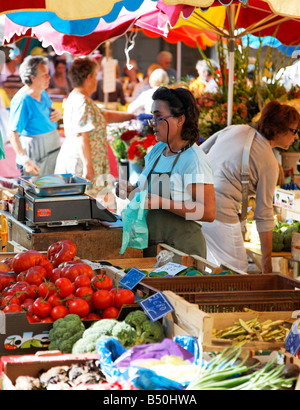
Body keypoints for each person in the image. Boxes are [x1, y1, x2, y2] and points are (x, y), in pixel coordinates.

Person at [201, 101, 300, 274]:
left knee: (209, 265)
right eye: (294, 131)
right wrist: (266, 263)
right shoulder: (269, 162)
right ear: (278, 129)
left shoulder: (234, 129)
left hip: (194, 204)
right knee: (237, 271)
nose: (296, 137)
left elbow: (199, 153)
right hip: (220, 213)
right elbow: (264, 215)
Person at [116, 86, 216, 257]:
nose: (153, 123)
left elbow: (208, 212)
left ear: (180, 119)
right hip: (153, 250)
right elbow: (146, 194)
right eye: (152, 117)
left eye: (159, 117)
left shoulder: (193, 160)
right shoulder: (157, 151)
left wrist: (162, 203)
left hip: (183, 254)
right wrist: (131, 190)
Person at [54, 57, 136, 196]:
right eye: (96, 75)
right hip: (82, 164)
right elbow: (81, 136)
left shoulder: (76, 97)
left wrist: (131, 116)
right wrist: (88, 167)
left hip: (79, 160)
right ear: (89, 77)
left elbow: (104, 116)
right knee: (84, 206)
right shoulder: (82, 101)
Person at [8, 55, 61, 177]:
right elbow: (12, 133)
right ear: (32, 78)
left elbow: (48, 112)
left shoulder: (43, 93)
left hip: (52, 152)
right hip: (36, 155)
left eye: (48, 73)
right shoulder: (22, 100)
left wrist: (57, 114)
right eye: (44, 75)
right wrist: (25, 159)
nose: (49, 77)